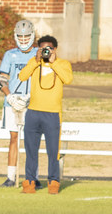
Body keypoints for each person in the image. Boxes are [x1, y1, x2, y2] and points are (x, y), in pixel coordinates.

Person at [18, 35, 73, 194]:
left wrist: (54, 63)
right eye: (42, 49)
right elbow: (22, 76)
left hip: (53, 114)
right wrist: (36, 61)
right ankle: (29, 182)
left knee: (53, 151)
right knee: (31, 150)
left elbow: (68, 79)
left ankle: (53, 182)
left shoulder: (63, 64)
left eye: (49, 48)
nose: (46, 51)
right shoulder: (34, 62)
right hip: (33, 112)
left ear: (55, 49)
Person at [0, 20, 38, 188]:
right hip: (12, 103)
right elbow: (1, 80)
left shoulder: (38, 53)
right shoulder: (9, 55)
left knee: (32, 141)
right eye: (20, 36)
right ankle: (11, 177)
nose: (23, 39)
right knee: (13, 138)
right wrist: (10, 96)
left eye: (26, 36)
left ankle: (33, 177)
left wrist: (31, 96)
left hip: (32, 103)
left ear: (32, 36)